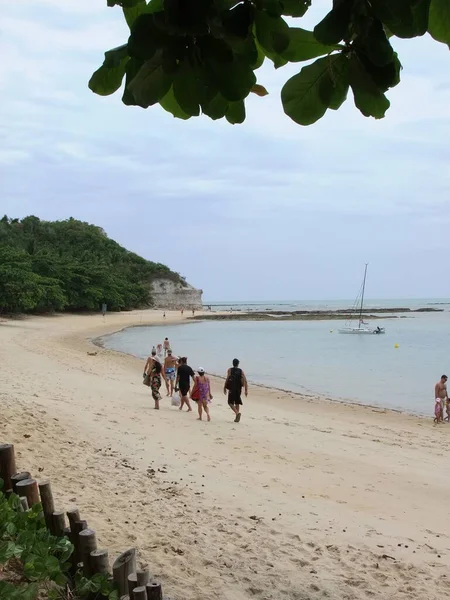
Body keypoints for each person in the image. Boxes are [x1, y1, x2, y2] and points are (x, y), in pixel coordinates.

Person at [224, 358, 248, 423]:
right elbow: (245, 380)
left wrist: (224, 387)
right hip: (239, 389)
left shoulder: (230, 370)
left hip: (232, 388)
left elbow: (228, 378)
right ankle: (237, 418)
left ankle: (237, 413)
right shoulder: (241, 371)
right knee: (237, 402)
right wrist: (246, 390)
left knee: (230, 402)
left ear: (233, 363)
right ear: (238, 364)